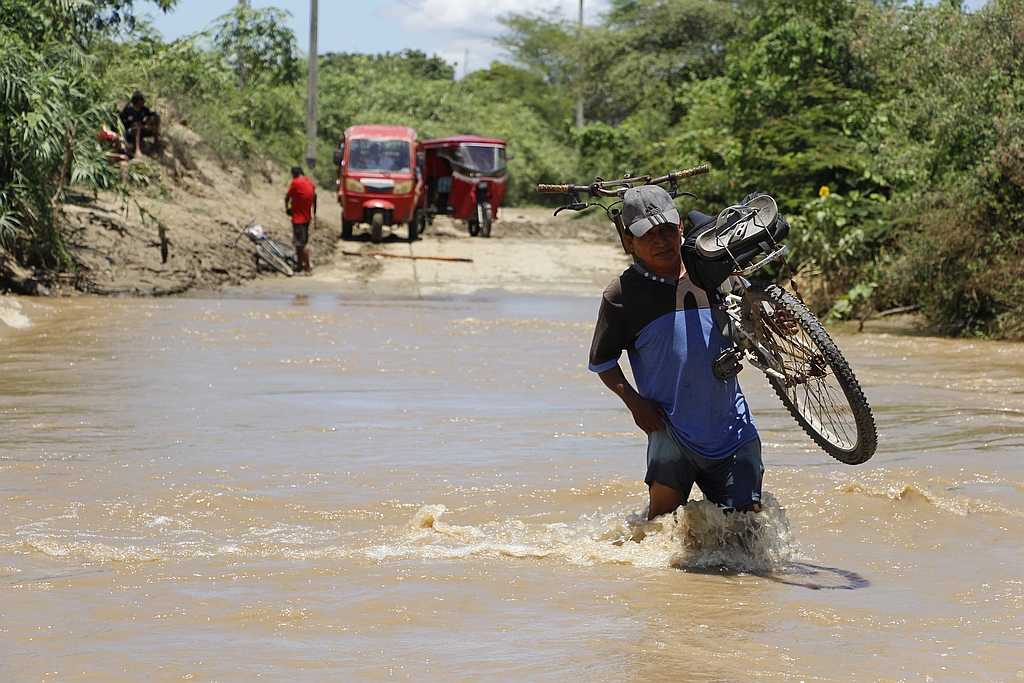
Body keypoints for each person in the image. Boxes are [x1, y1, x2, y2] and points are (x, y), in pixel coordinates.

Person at [588, 185, 762, 521]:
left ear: (681, 226)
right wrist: (635, 403)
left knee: (749, 532)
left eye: (667, 230)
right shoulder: (622, 294)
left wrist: (780, 322)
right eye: (647, 234)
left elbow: (755, 313)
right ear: (628, 242)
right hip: (670, 429)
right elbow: (602, 361)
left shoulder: (715, 273)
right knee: (660, 531)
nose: (661, 241)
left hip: (731, 429)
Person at [285, 166, 316, 275]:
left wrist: (288, 208)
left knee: (301, 244)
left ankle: (308, 269)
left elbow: (287, 197)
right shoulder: (310, 182)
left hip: (299, 219)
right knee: (298, 243)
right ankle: (299, 265)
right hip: (307, 217)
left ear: (293, 174)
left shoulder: (295, 182)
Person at [119, 91, 161, 157]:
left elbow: (154, 114)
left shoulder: (142, 109)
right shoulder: (129, 109)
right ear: (139, 101)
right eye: (143, 100)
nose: (145, 101)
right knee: (137, 128)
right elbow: (134, 125)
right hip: (129, 132)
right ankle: (137, 149)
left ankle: (156, 141)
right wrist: (149, 127)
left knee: (153, 118)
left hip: (142, 128)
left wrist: (156, 127)